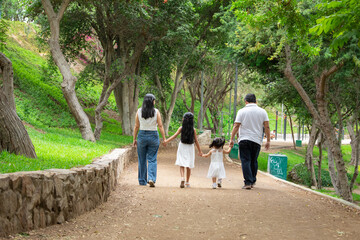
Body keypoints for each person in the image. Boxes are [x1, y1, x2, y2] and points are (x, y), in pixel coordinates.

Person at [229, 93, 270, 190]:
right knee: (253, 160)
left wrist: (231, 139)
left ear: (246, 101)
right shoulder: (262, 111)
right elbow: (267, 126)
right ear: (256, 101)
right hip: (256, 140)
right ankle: (253, 180)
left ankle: (248, 182)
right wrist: (268, 140)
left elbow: (236, 126)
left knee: (245, 160)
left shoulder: (242, 111)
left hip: (244, 140)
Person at [133, 94, 166, 188]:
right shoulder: (156, 112)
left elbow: (136, 126)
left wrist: (134, 139)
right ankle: (151, 178)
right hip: (153, 136)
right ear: (152, 101)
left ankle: (142, 181)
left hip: (142, 136)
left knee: (142, 159)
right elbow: (160, 126)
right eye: (154, 100)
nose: (155, 102)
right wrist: (164, 138)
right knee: (152, 158)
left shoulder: (139, 111)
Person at [164, 112, 202, 188]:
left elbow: (174, 136)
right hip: (190, 147)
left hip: (182, 146)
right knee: (189, 165)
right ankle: (187, 182)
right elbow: (196, 141)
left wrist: (166, 141)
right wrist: (200, 151)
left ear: (184, 119)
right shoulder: (193, 130)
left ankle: (182, 178)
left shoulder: (181, 128)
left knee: (182, 163)